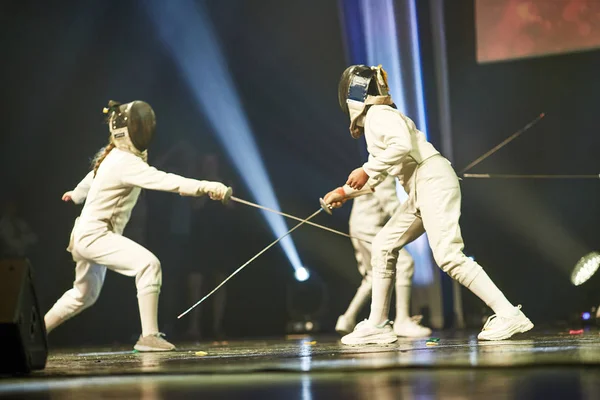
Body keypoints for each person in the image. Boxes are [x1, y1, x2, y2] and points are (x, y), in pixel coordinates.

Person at [323, 65, 533, 345]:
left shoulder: (379, 114)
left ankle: (508, 314)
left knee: (448, 255)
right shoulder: (377, 119)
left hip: (431, 178)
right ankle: (377, 324)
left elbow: (400, 145)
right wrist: (343, 192)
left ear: (353, 92)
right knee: (384, 244)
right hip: (421, 186)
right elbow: (379, 176)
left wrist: (365, 168)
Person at [43, 100, 230, 352]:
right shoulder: (124, 162)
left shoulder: (116, 157)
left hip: (86, 235)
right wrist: (207, 186)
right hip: (95, 235)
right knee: (148, 265)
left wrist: (76, 194)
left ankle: (34, 334)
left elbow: (93, 176)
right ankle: (148, 336)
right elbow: (165, 181)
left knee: (83, 295)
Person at [335, 175, 431, 338]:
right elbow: (390, 204)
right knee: (405, 264)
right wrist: (419, 218)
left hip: (359, 226)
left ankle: (347, 318)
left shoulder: (371, 168)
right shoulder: (383, 172)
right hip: (370, 228)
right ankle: (402, 321)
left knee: (373, 275)